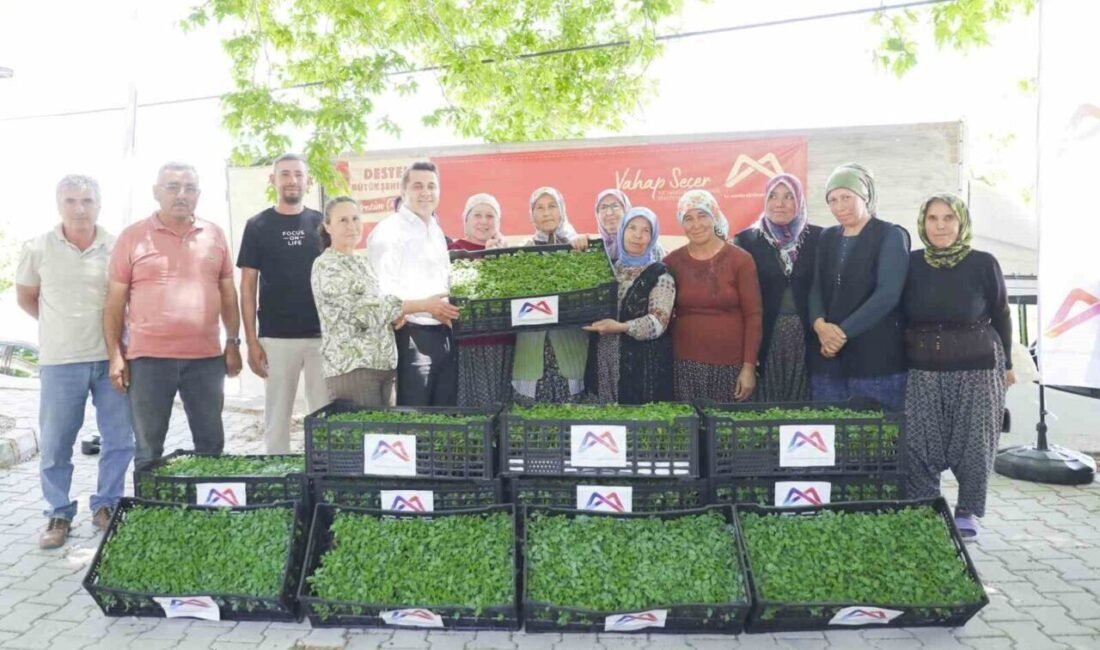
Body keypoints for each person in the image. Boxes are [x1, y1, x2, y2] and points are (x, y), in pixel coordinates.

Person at [15, 175, 135, 549]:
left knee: (119, 440)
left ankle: (107, 504)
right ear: (58, 204)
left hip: (111, 358)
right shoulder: (38, 248)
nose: (80, 208)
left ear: (99, 204)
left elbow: (128, 300)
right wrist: (61, 325)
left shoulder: (117, 246)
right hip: (60, 362)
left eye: (87, 200)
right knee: (55, 443)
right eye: (71, 201)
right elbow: (27, 298)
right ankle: (59, 512)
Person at [104, 162, 242, 472]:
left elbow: (228, 294)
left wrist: (232, 342)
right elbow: (114, 303)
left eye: (190, 188)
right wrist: (115, 355)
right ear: (156, 192)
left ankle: (209, 514)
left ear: (198, 195)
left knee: (211, 445)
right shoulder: (133, 237)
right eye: (173, 187)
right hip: (149, 360)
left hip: (206, 361)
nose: (182, 194)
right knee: (149, 449)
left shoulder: (214, 234)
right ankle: (149, 515)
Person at [902, 193, 1014, 540]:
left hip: (977, 367)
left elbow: (1002, 313)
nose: (940, 226)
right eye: (933, 218)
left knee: (974, 440)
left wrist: (1008, 364)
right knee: (919, 441)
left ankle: (967, 510)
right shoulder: (911, 263)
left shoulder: (983, 263)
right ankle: (924, 505)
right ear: (922, 222)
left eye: (948, 218)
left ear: (961, 222)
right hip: (923, 366)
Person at [312, 197, 459, 407]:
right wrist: (422, 305)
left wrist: (395, 316)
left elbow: (381, 305)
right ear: (327, 226)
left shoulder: (362, 263)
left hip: (384, 367)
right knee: (365, 437)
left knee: (383, 437)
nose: (351, 226)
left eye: (355, 218)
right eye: (343, 220)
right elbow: (363, 312)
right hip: (354, 368)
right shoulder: (326, 265)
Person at [237, 153, 329, 453]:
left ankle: (321, 475)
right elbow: (248, 287)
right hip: (276, 338)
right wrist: (251, 341)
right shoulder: (257, 225)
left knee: (323, 417)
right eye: (285, 174)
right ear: (273, 179)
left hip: (321, 338)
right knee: (277, 418)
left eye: (298, 174)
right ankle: (279, 479)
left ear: (308, 180)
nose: (292, 180)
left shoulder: (321, 224)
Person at [808, 163, 911, 411]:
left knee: (875, 441)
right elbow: (816, 287)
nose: (839, 206)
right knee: (831, 440)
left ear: (865, 197)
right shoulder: (827, 237)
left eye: (847, 197)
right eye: (832, 200)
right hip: (829, 361)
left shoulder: (891, 235)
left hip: (875, 363)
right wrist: (820, 326)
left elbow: (887, 295)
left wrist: (840, 334)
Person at [366, 161, 456, 406]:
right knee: (416, 419)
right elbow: (381, 292)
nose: (425, 192)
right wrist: (425, 307)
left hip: (443, 334)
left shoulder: (435, 230)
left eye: (431, 186)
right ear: (403, 192)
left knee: (445, 417)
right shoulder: (389, 231)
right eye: (418, 186)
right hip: (411, 337)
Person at [664, 190, 762, 402]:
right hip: (685, 365)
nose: (696, 225)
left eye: (702, 215)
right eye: (688, 218)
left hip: (731, 366)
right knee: (691, 432)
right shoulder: (671, 262)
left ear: (714, 216)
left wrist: (748, 367)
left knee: (726, 432)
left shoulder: (741, 260)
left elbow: (753, 315)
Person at [734, 173, 822, 402]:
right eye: (772, 196)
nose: (779, 203)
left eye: (788, 197)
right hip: (764, 335)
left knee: (803, 404)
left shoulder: (819, 238)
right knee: (765, 403)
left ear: (799, 201)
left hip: (808, 337)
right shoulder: (747, 240)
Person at [584, 207, 675, 404]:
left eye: (645, 230)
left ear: (652, 237)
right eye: (632, 228)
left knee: (635, 424)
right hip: (603, 358)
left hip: (640, 364)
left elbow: (658, 322)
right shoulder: (607, 269)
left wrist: (621, 327)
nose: (637, 235)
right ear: (622, 230)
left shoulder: (660, 274)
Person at [512, 187, 591, 402]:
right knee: (534, 426)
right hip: (531, 353)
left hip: (572, 350)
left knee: (571, 422)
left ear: (562, 211)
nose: (546, 213)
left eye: (552, 206)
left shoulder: (579, 246)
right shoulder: (521, 251)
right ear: (532, 215)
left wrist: (582, 250)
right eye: (539, 208)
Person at [449, 194, 514, 406]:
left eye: (490, 216)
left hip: (505, 342)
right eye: (477, 215)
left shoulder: (508, 252)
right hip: (469, 343)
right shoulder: (453, 251)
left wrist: (500, 258)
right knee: (474, 408)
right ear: (465, 220)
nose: (484, 221)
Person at [594, 189, 664, 262]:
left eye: (615, 206)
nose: (609, 212)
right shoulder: (595, 248)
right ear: (597, 214)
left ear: (626, 210)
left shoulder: (648, 245)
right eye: (603, 207)